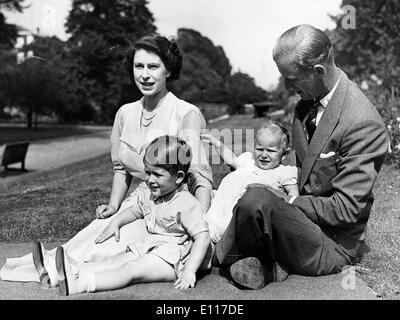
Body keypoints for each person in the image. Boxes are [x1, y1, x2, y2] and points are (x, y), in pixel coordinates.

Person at [0, 34, 213, 288]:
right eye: (139, 66)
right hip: (139, 201)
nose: (144, 75)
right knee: (94, 234)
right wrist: (114, 205)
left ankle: (68, 274)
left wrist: (197, 227)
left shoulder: (186, 113)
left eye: (153, 67)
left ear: (168, 70)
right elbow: (121, 168)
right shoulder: (125, 113)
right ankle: (53, 267)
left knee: (108, 247)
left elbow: (200, 177)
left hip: (170, 210)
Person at [213, 24, 390, 290]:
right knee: (244, 189)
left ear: (318, 71)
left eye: (291, 79)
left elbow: (346, 209)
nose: (285, 86)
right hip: (300, 222)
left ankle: (219, 257)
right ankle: (260, 259)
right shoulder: (306, 106)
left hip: (331, 243)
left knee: (257, 199)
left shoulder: (362, 123)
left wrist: (289, 200)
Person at [44, 136, 211, 296]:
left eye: (158, 175)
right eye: (147, 172)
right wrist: (116, 222)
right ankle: (63, 274)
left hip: (173, 258)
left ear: (179, 177)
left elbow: (202, 238)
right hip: (150, 246)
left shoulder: (187, 204)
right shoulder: (151, 195)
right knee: (114, 262)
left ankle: (81, 284)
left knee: (130, 270)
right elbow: (135, 210)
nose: (150, 180)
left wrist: (189, 270)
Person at [201, 121, 298, 243]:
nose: (264, 155)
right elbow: (231, 159)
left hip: (244, 217)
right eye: (259, 149)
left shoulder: (284, 173)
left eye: (271, 151)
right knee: (208, 225)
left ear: (284, 154)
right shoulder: (248, 161)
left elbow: (293, 198)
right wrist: (216, 144)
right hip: (222, 207)